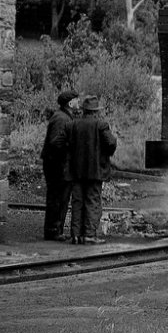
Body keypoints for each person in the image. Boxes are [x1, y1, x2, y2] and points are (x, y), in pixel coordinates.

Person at [62, 95, 117, 245]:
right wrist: (104, 154)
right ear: (96, 111)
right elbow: (111, 143)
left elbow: (63, 144)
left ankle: (75, 235)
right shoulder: (101, 125)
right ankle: (89, 235)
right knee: (92, 202)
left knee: (77, 202)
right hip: (95, 171)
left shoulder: (71, 125)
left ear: (84, 110)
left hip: (75, 171)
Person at [40, 90, 77, 241]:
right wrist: (70, 147)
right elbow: (56, 142)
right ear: (70, 103)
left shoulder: (62, 116)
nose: (78, 103)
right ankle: (54, 230)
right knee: (58, 198)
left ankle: (55, 229)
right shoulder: (62, 119)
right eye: (76, 100)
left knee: (58, 197)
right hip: (57, 165)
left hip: (55, 163)